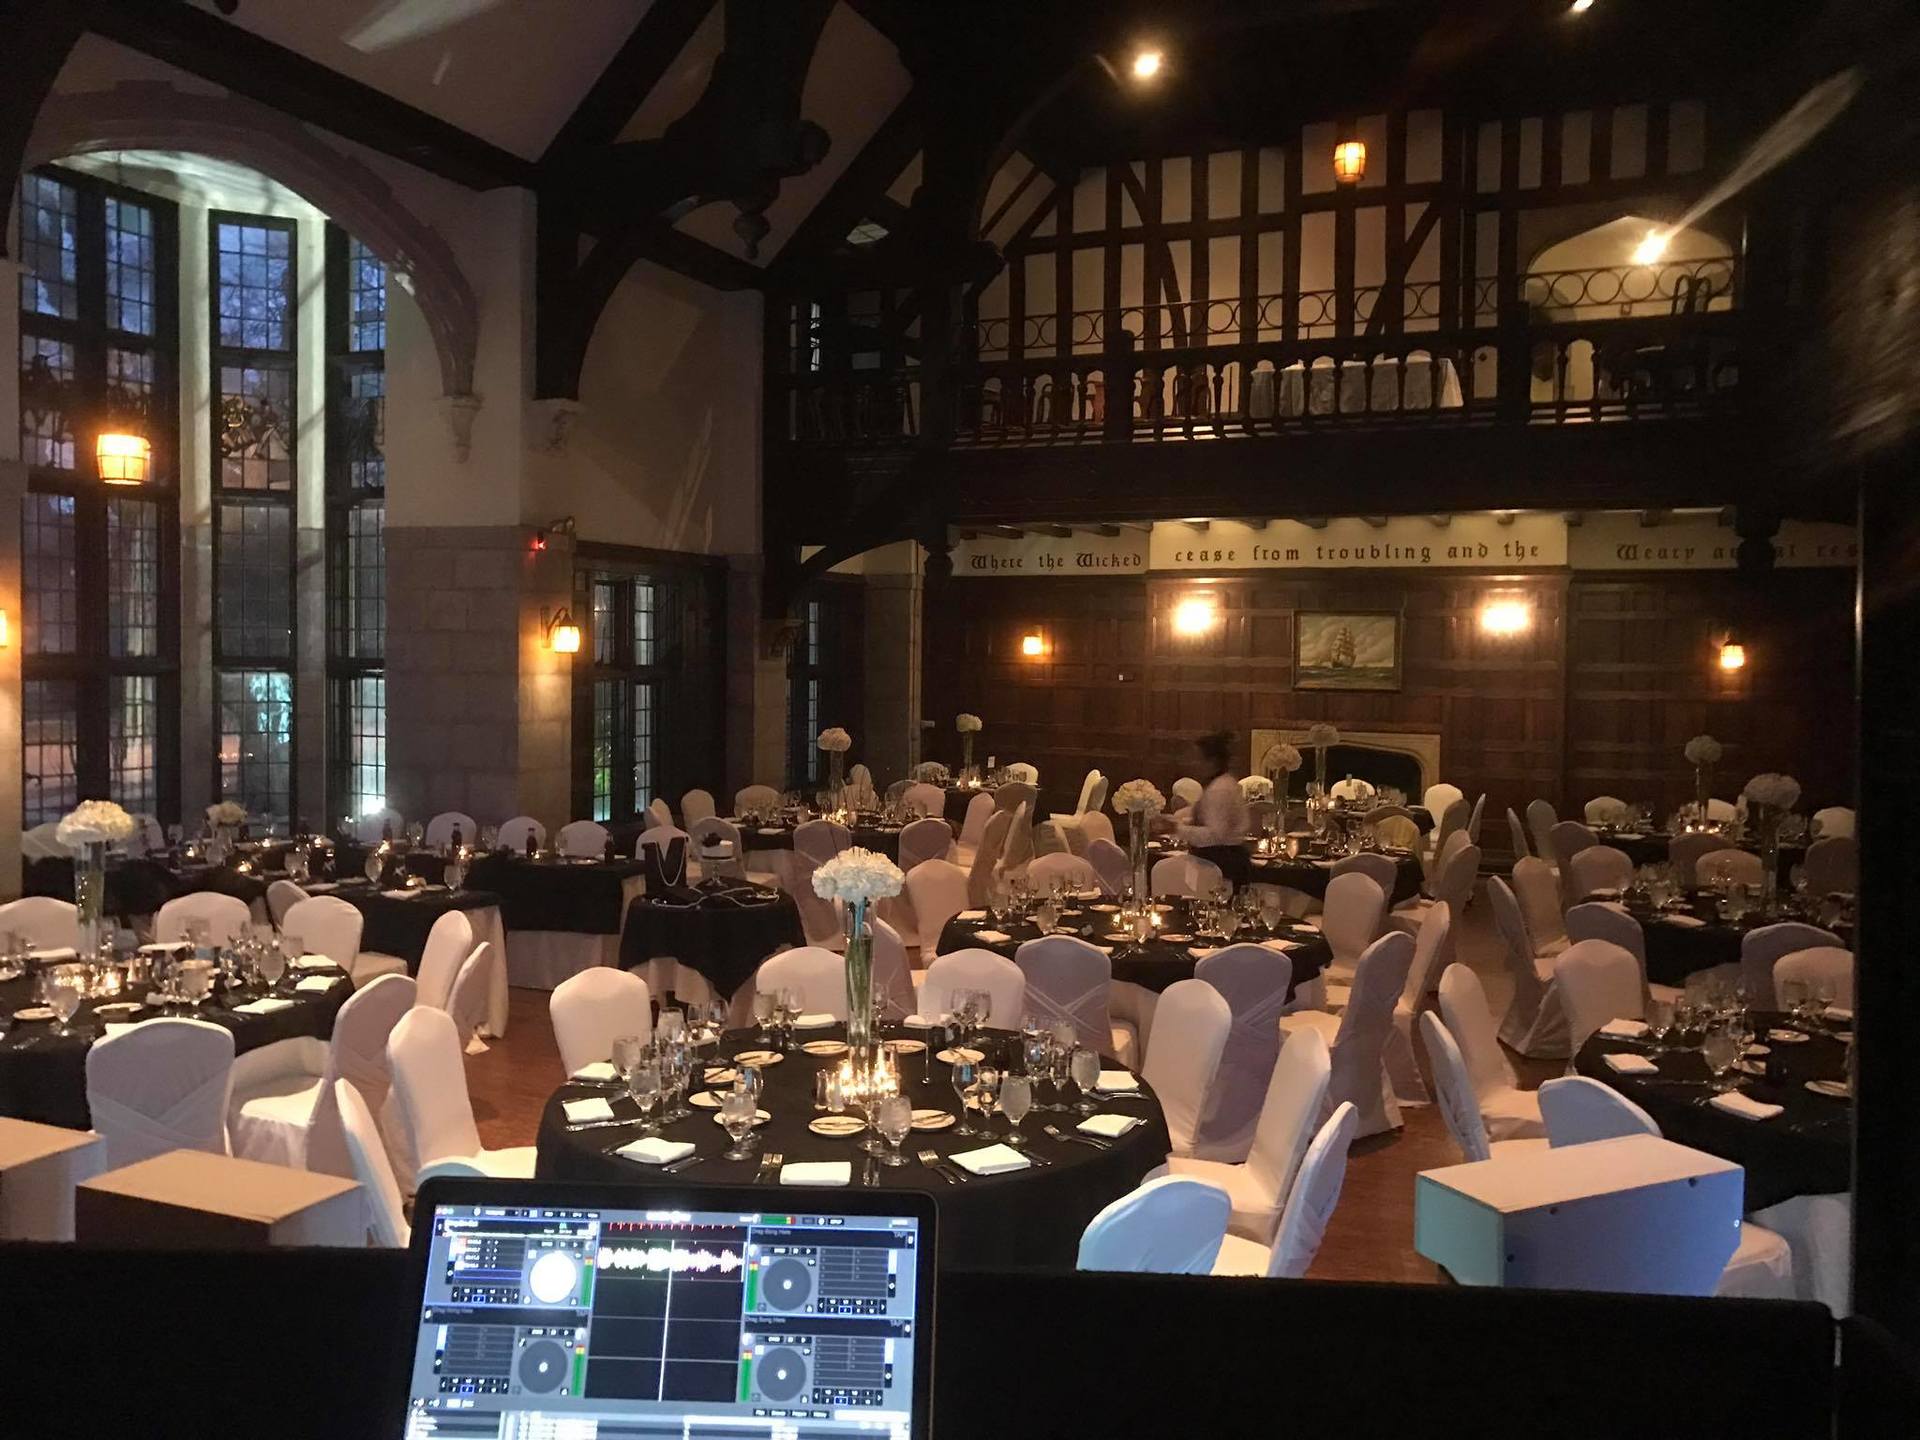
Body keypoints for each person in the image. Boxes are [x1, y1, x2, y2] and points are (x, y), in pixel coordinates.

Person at [1154, 731, 1251, 891]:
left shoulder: (1219, 789)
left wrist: (1176, 828)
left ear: (1212, 761)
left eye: (1198, 759)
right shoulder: (1223, 783)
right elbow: (1209, 819)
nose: (1194, 764)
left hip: (1222, 863)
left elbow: (1215, 835)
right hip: (1224, 858)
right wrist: (1178, 822)